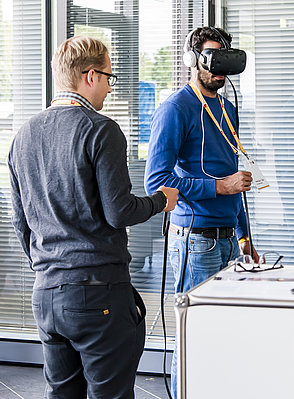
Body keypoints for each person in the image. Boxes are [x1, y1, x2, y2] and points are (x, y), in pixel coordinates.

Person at [8, 36, 179, 399]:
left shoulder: (22, 136)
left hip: (46, 293)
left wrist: (51, 267)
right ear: (89, 76)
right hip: (96, 291)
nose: (109, 87)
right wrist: (160, 201)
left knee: (61, 393)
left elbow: (20, 222)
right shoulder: (101, 129)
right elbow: (120, 212)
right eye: (108, 77)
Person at [144, 26, 259, 398]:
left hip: (228, 239)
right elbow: (156, 182)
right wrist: (217, 187)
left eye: (224, 56)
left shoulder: (227, 109)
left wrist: (244, 236)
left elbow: (233, 179)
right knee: (194, 336)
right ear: (192, 61)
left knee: (224, 337)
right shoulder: (175, 109)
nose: (219, 66)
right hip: (195, 243)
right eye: (211, 57)